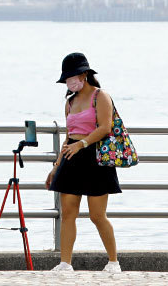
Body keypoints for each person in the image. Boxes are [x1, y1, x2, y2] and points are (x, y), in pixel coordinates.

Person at [44, 52, 121, 273]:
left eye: (73, 77)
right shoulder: (70, 102)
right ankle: (65, 263)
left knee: (97, 215)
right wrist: (56, 167)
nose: (70, 82)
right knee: (68, 213)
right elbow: (68, 136)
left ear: (84, 74)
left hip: (95, 158)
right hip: (70, 159)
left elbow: (105, 127)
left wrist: (83, 144)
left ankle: (113, 261)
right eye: (66, 79)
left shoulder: (100, 96)